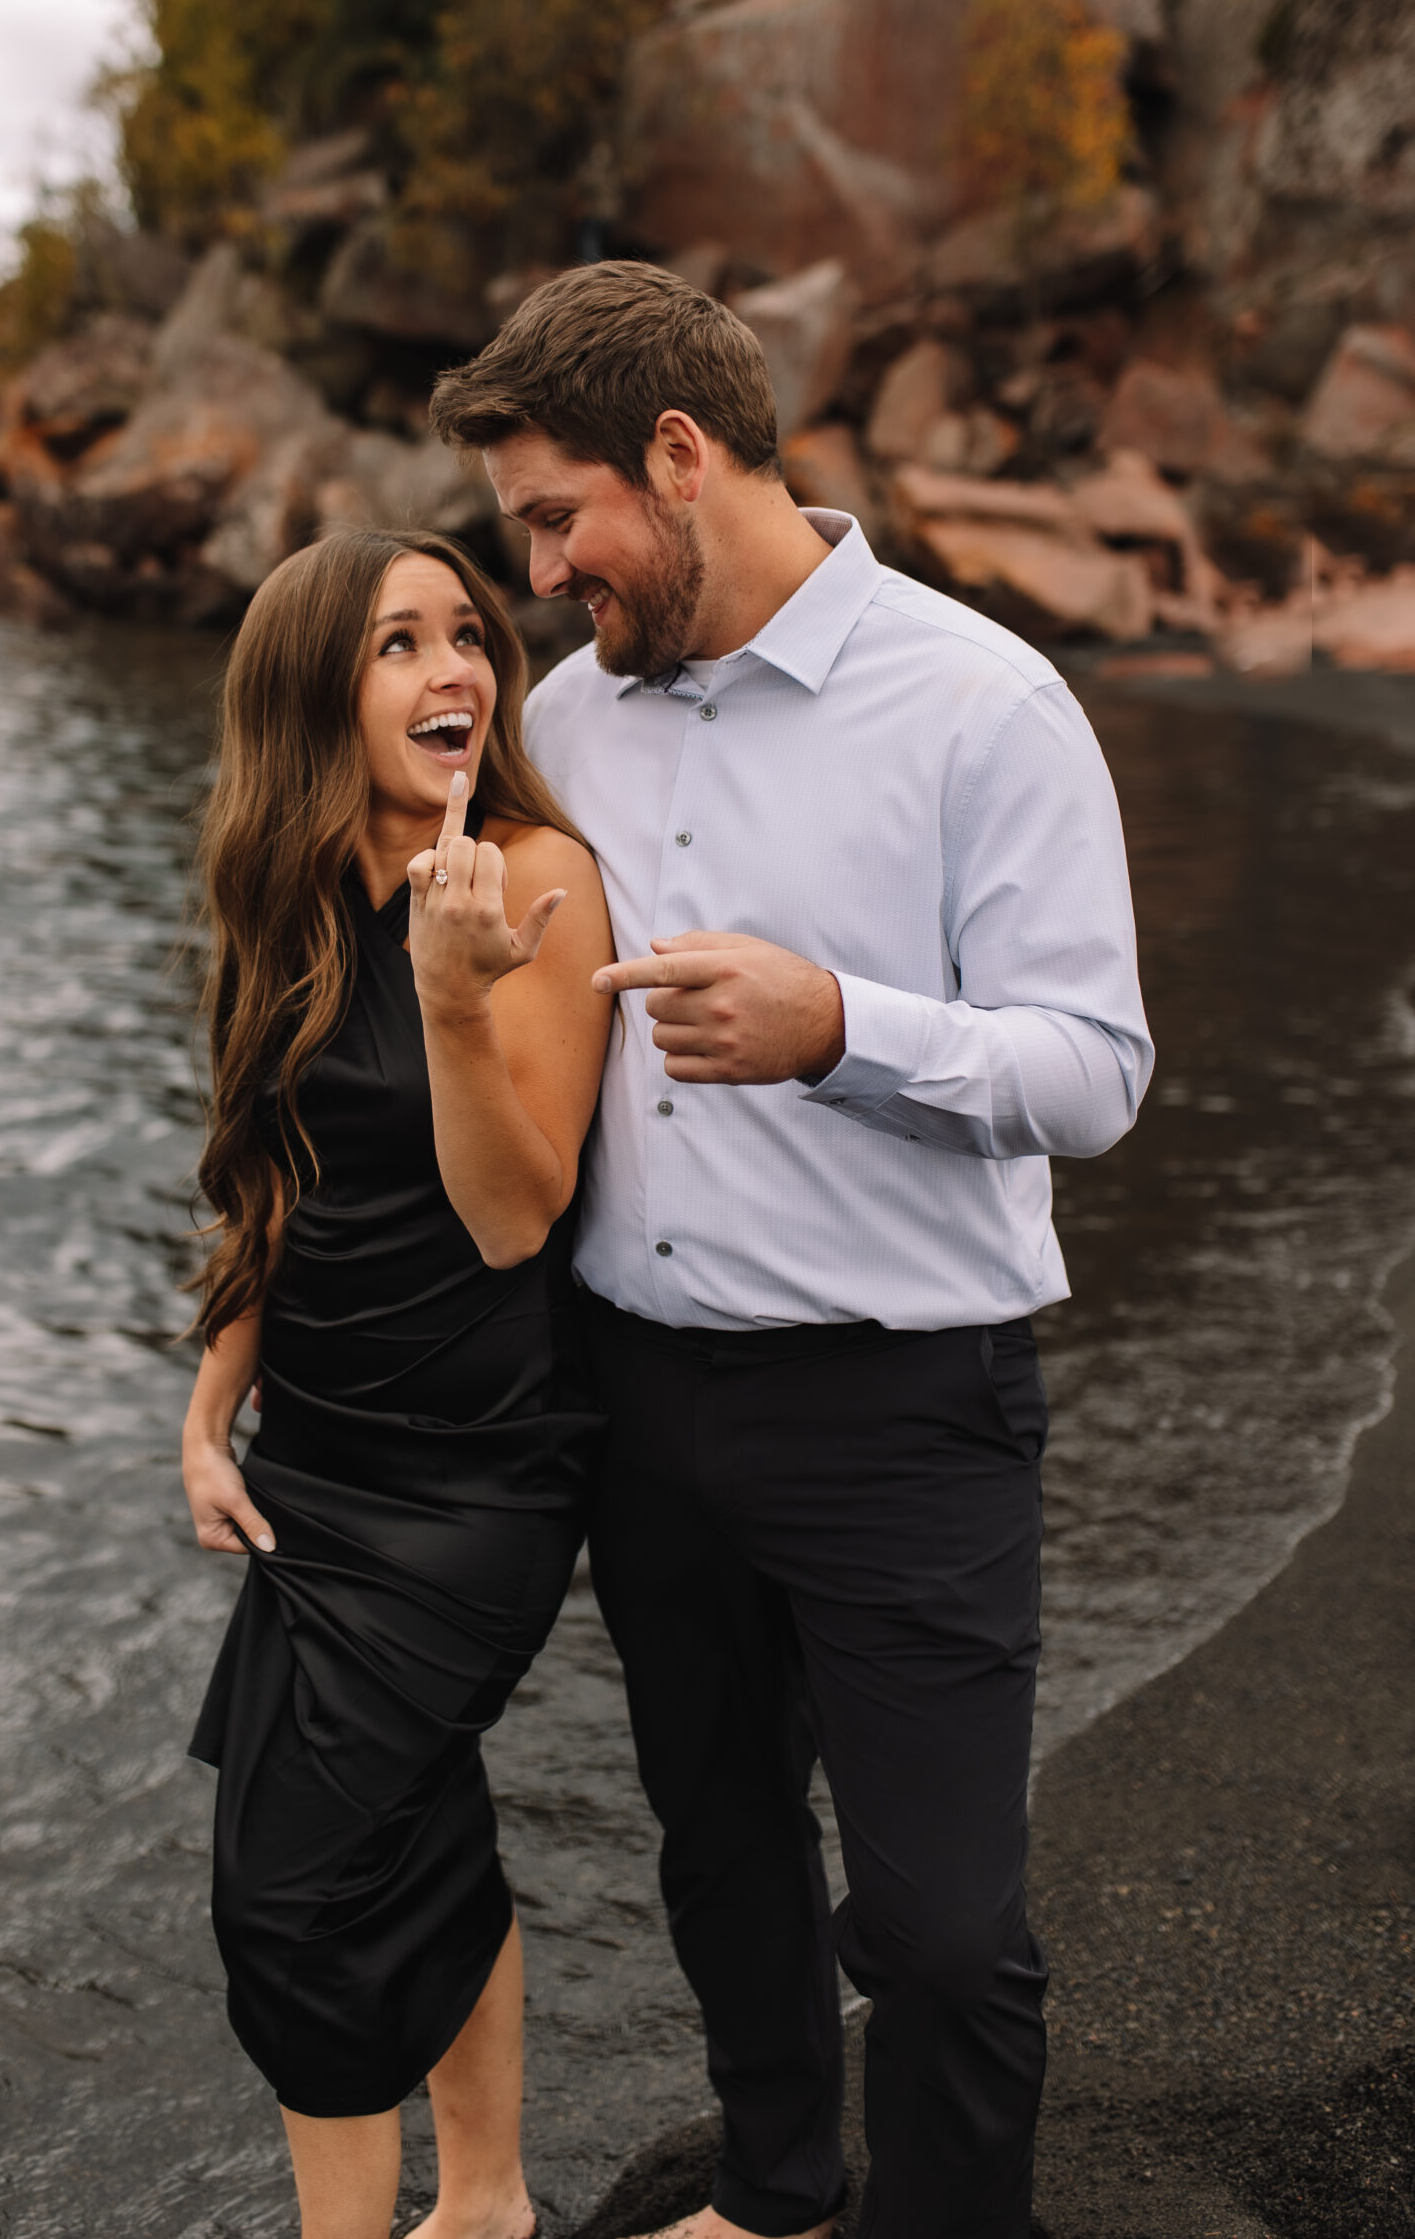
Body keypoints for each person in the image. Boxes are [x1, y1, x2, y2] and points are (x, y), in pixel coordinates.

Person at [429, 263, 1154, 2239]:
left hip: (902, 1402)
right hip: (633, 1393)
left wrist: (839, 1023)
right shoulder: (563, 720)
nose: (543, 568)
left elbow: (1090, 1073)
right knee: (719, 1847)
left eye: (553, 515)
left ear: (676, 454)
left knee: (936, 1925)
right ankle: (771, 2188)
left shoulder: (980, 699)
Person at [180, 528, 613, 2239]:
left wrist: (452, 1000)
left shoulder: (536, 874)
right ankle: (488, 2202)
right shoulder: (283, 894)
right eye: (399, 645)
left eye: (468, 636)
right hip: (319, 1457)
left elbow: (520, 1218)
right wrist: (210, 1410)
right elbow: (269, 1188)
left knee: (285, 1903)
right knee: (418, 1831)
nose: (456, 672)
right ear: (314, 698)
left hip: (479, 1471)